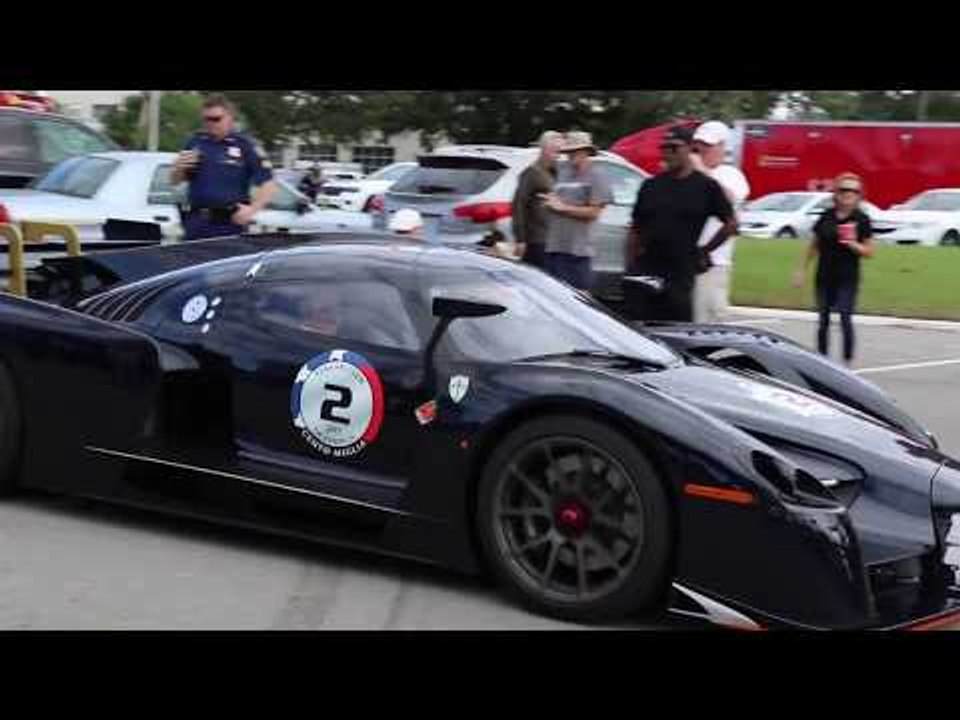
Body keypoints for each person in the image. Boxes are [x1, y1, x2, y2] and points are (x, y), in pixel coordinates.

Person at [624, 126, 737, 322]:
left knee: (675, 327)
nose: (668, 153)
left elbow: (731, 224)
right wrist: (630, 268)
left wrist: (705, 250)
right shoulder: (651, 186)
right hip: (645, 270)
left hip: (680, 274)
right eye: (664, 148)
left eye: (674, 148)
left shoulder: (706, 187)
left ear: (690, 149)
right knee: (639, 326)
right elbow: (635, 229)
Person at [792, 173, 875, 365]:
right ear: (836, 193)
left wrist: (853, 243)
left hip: (847, 278)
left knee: (845, 318)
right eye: (844, 189)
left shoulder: (862, 219)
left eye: (854, 191)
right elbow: (814, 244)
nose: (848, 194)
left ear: (859, 195)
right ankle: (822, 361)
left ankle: (846, 362)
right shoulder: (826, 216)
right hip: (824, 276)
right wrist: (802, 269)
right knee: (823, 321)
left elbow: (869, 252)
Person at [171, 95, 278, 241]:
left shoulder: (245, 145)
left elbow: (269, 184)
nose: (210, 123)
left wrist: (252, 209)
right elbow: (175, 180)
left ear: (230, 118)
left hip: (229, 223)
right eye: (206, 119)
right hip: (196, 221)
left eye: (216, 119)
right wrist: (178, 168)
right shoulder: (195, 142)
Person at [691, 121, 751, 323]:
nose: (701, 150)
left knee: (709, 320)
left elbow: (728, 199)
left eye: (708, 145)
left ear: (724, 147)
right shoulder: (690, 174)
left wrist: (702, 170)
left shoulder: (730, 175)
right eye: (698, 145)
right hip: (685, 260)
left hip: (713, 262)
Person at [542, 131, 613, 291]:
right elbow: (555, 201)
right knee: (553, 297)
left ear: (586, 151)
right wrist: (549, 203)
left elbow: (594, 212)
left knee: (576, 298)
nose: (570, 155)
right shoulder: (562, 172)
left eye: (575, 150)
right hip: (554, 248)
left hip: (577, 252)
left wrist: (563, 208)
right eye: (568, 151)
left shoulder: (597, 176)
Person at [511, 130, 563, 269]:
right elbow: (519, 205)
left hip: (554, 239)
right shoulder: (532, 173)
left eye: (560, 151)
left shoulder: (556, 172)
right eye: (555, 151)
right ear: (544, 149)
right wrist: (520, 239)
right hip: (537, 240)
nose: (558, 155)